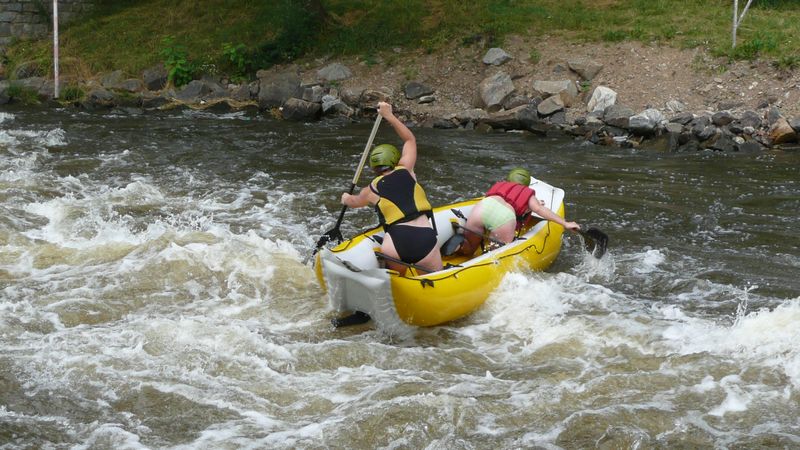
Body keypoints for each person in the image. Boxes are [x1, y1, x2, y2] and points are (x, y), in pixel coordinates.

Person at [341, 102, 442, 275]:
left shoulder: (370, 190)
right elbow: (410, 139)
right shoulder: (407, 169)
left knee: (398, 282)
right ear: (396, 161)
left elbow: (352, 201)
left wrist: (345, 198)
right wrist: (389, 115)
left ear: (374, 167)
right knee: (434, 279)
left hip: (394, 244)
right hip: (423, 238)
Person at [452, 167, 581, 256]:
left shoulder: (500, 185)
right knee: (495, 254)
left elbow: (507, 199)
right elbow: (539, 209)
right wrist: (565, 223)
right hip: (504, 218)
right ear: (527, 185)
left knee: (469, 248)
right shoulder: (528, 194)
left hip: (484, 206)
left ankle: (459, 245)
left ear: (508, 180)